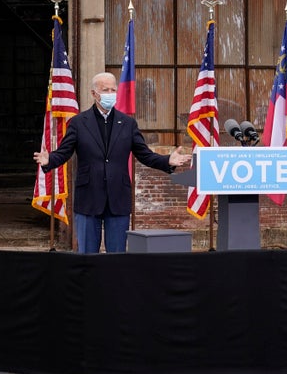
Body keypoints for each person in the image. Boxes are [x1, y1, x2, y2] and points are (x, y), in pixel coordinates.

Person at [33, 72, 191, 253]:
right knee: (87, 256)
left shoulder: (128, 123)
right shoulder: (78, 123)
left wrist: (167, 160)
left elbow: (144, 154)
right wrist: (49, 160)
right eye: (105, 90)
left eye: (113, 90)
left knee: (117, 257)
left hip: (118, 197)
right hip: (88, 198)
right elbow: (64, 152)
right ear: (94, 94)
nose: (110, 93)